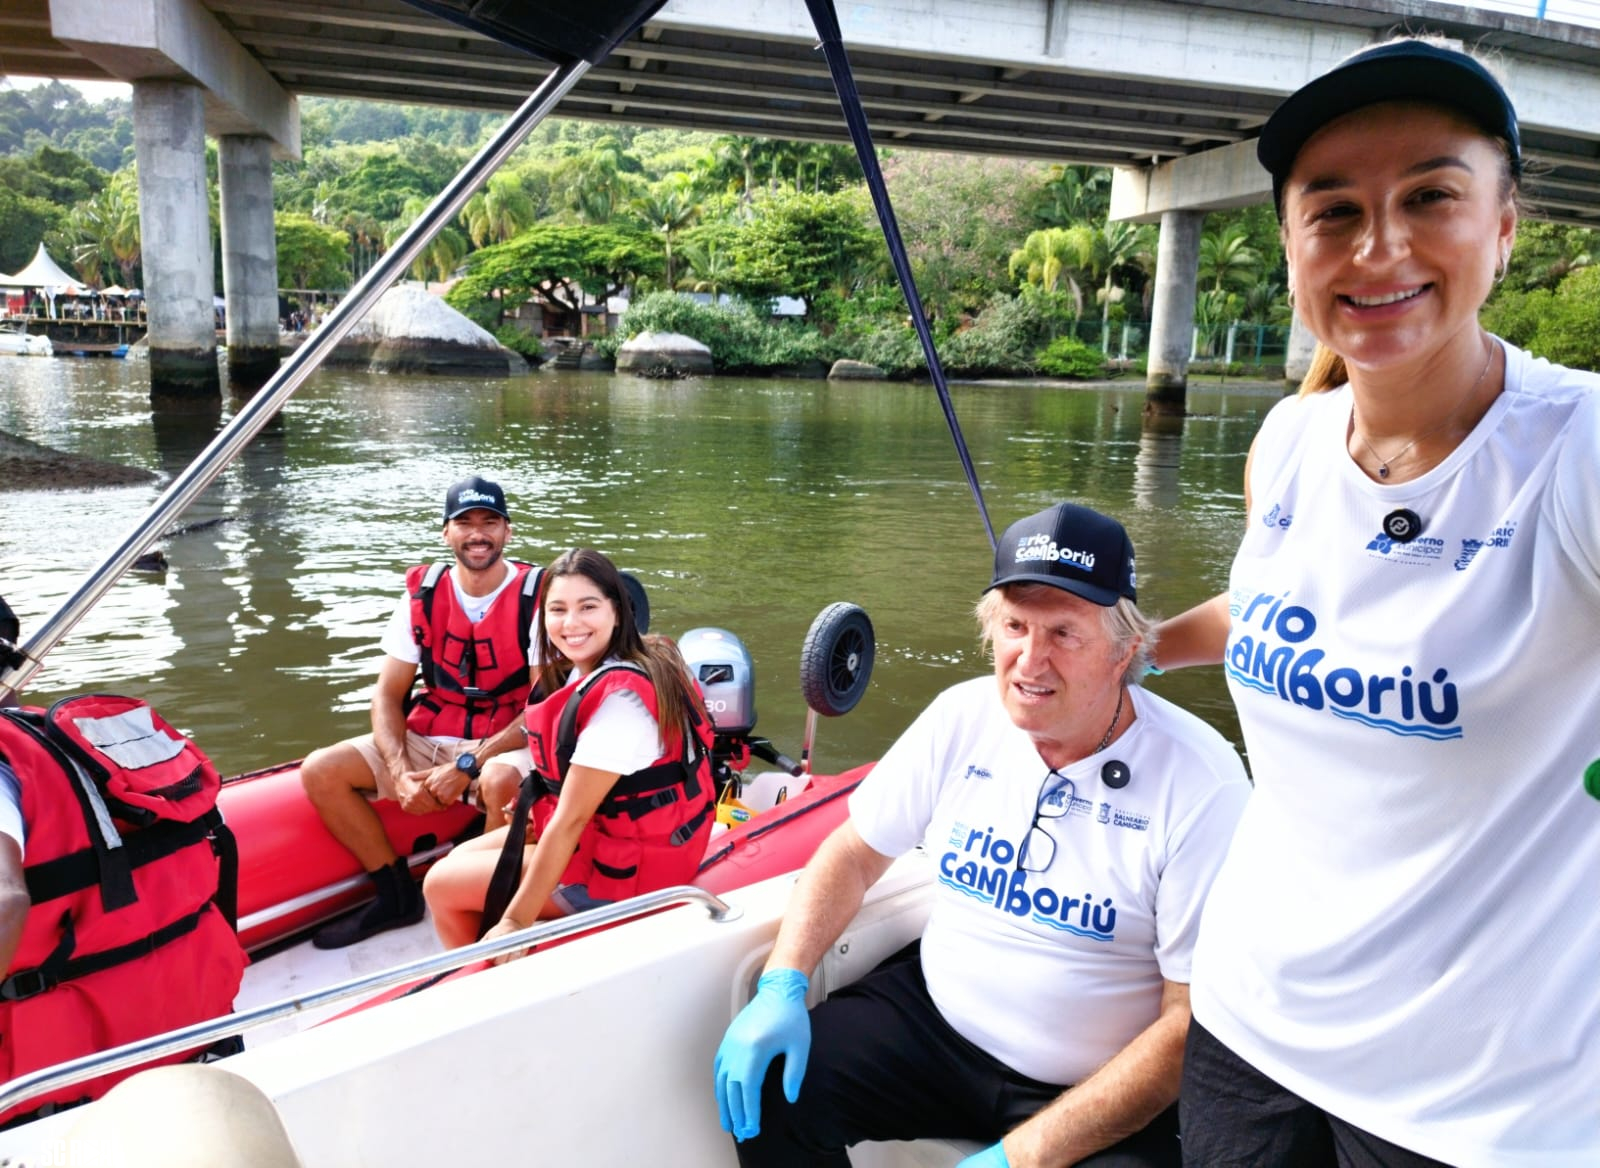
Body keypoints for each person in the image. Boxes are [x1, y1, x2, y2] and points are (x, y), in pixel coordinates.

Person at [1153, 37, 1600, 1167]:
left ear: (1503, 226)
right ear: (1294, 247)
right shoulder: (1290, 437)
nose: (1380, 245)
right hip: (1250, 1024)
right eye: (1335, 209)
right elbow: (1276, 610)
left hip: (1478, 1096)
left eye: (1430, 197)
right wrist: (1139, 646)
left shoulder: (1577, 451)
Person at [713, 503, 1251, 1168]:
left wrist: (1020, 1157)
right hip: (937, 1028)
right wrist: (782, 983)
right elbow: (853, 854)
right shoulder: (962, 715)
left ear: (1126, 651)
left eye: (1064, 634)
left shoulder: (1202, 783)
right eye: (1015, 627)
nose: (1030, 660)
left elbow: (1187, 1025)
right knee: (772, 1089)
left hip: (1102, 1081)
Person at [423, 548, 716, 953]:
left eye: (588, 607)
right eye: (557, 609)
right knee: (456, 862)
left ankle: (476, 985)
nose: (571, 623)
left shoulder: (621, 705)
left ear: (618, 609)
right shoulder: (602, 666)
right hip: (613, 836)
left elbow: (571, 820)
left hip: (628, 871)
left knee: (439, 885)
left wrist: (515, 920)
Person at [300, 475, 543, 949]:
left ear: (507, 532)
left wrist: (466, 766)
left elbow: (543, 706)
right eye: (465, 523)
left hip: (506, 739)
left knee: (499, 781)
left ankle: (486, 904)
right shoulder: (424, 593)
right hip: (434, 731)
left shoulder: (538, 596)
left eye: (490, 522)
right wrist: (399, 769)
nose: (478, 534)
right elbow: (388, 694)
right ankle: (394, 894)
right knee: (321, 770)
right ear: (446, 533)